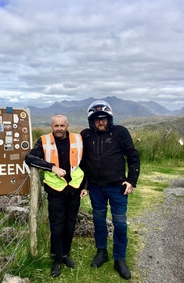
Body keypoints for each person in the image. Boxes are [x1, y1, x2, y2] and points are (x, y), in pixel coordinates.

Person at [79, 100, 140, 280]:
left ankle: (119, 259)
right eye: (97, 119)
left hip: (117, 188)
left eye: (104, 118)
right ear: (91, 121)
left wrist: (131, 181)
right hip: (96, 188)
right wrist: (85, 185)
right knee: (98, 221)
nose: (101, 122)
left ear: (109, 119)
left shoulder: (120, 132)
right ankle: (102, 252)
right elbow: (83, 162)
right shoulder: (85, 135)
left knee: (120, 224)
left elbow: (133, 157)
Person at [25, 114, 88, 277]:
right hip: (55, 190)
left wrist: (85, 186)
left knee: (70, 224)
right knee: (57, 226)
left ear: (67, 126)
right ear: (51, 127)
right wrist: (51, 167)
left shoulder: (78, 139)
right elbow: (29, 158)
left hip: (74, 188)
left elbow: (86, 163)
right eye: (56, 126)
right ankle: (56, 260)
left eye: (62, 125)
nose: (59, 129)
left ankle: (66, 254)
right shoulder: (44, 141)